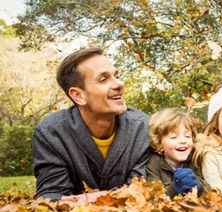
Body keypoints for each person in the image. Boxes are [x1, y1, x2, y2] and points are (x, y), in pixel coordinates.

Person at [32, 48, 151, 200]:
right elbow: (51, 198)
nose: (119, 84)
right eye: (103, 79)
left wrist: (79, 200)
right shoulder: (50, 133)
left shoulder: (144, 128)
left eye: (117, 76)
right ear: (78, 96)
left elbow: (142, 192)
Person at [146, 108, 208, 197]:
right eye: (174, 137)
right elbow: (154, 197)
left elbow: (210, 189)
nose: (183, 141)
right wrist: (174, 189)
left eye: (187, 136)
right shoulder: (153, 164)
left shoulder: (196, 158)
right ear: (159, 143)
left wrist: (199, 188)